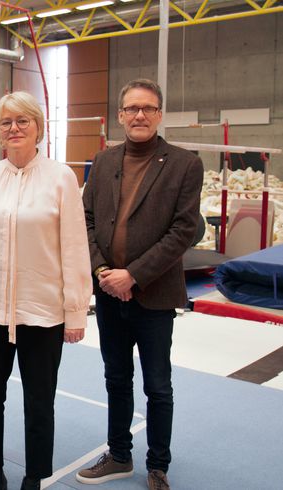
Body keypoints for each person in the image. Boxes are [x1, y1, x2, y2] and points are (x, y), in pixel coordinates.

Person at [0, 91, 92, 490]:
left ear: (38, 128)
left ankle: (34, 476)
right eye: (6, 122)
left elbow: (73, 246)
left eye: (23, 121)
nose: (14, 128)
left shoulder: (61, 177)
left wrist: (75, 310)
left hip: (42, 311)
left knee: (38, 402)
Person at [77, 79, 203, 490]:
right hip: (109, 293)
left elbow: (184, 229)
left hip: (154, 295)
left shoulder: (184, 164)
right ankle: (119, 455)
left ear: (159, 114)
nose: (139, 115)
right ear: (120, 115)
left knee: (158, 385)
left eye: (148, 108)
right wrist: (103, 274)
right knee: (116, 378)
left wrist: (134, 275)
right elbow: (88, 222)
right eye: (132, 109)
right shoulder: (104, 161)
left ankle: (157, 465)